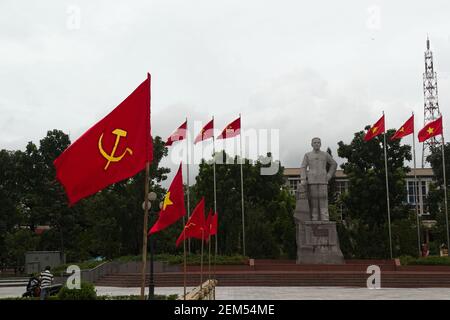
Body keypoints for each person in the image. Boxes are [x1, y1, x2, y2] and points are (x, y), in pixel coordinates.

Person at [300, 137, 337, 221]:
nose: (317, 144)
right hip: (312, 181)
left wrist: (329, 175)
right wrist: (303, 178)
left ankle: (325, 218)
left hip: (323, 180)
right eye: (315, 142)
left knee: (323, 199)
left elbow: (334, 164)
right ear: (312, 144)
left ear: (320, 144)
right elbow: (303, 167)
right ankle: (314, 218)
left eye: (318, 143)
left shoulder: (325, 154)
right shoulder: (307, 155)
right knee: (314, 201)